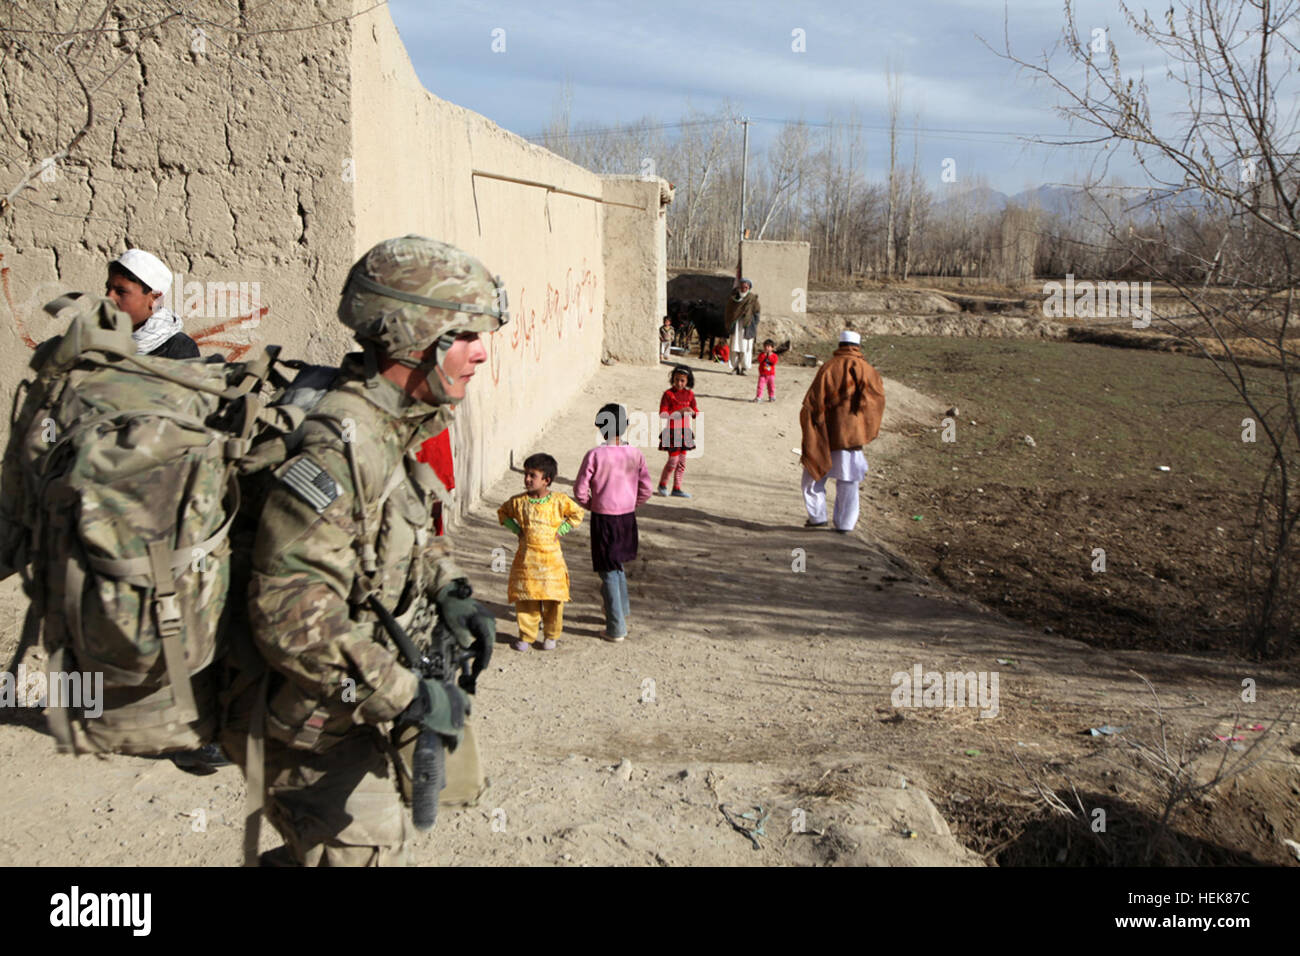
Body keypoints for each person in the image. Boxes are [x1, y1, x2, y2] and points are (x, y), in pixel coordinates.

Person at [222, 235, 506, 866]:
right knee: (363, 845)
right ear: (415, 337)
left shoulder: (392, 425)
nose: (481, 354)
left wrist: (452, 590)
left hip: (338, 695)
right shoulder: (340, 446)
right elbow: (290, 618)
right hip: (289, 711)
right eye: (464, 337)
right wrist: (406, 693)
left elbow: (400, 537)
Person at [573, 403, 653, 642]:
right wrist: (631, 503)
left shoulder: (595, 455)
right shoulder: (635, 454)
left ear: (600, 426)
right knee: (616, 564)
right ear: (626, 426)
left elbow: (580, 490)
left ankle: (616, 627)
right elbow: (646, 488)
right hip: (627, 517)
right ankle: (620, 609)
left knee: (607, 569)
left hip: (603, 518)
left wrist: (592, 504)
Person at [799, 330, 885, 533]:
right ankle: (845, 524)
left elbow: (812, 404)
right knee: (849, 483)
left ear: (840, 344)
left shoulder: (829, 368)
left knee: (812, 479)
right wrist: (863, 428)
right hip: (853, 439)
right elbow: (877, 404)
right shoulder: (869, 371)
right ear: (858, 347)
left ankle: (817, 517)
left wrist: (813, 427)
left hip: (827, 436)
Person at [497, 452, 583, 652]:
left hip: (552, 564)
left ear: (546, 480)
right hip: (526, 563)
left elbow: (577, 513)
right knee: (526, 599)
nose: (527, 479)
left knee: (553, 600)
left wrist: (562, 529)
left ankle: (551, 635)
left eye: (532, 475)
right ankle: (526, 636)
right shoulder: (518, 502)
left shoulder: (559, 501)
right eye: (526, 474)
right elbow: (502, 513)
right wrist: (516, 529)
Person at [105, 249, 200, 358]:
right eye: (108, 288)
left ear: (155, 299)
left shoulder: (178, 349)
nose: (109, 298)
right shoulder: (99, 337)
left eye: (121, 292)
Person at [655, 365, 698, 498]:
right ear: (673, 379)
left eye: (682, 381)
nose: (679, 383)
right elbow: (663, 414)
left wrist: (693, 413)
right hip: (672, 432)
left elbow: (696, 411)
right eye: (677, 380)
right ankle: (662, 484)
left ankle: (677, 488)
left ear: (688, 381)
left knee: (682, 462)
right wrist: (679, 412)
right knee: (673, 460)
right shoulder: (668, 394)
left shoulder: (690, 395)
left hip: (685, 432)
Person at [723, 269, 759, 376]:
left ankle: (743, 368)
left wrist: (753, 325)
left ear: (749, 287)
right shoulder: (733, 298)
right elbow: (728, 312)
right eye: (742, 286)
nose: (744, 288)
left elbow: (757, 313)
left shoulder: (752, 299)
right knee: (734, 347)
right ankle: (734, 367)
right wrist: (730, 323)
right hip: (736, 326)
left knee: (745, 348)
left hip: (747, 327)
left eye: (746, 287)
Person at [753, 339, 779, 403]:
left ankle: (771, 396)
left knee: (771, 386)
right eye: (765, 346)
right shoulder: (762, 354)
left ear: (772, 348)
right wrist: (764, 355)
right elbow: (760, 360)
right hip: (762, 374)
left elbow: (774, 362)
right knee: (760, 386)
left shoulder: (774, 356)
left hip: (771, 374)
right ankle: (759, 397)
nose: (766, 348)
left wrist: (769, 356)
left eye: (768, 346)